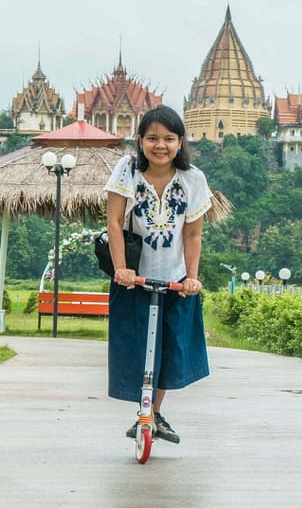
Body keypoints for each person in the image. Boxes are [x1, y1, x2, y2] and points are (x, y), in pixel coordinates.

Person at [103, 105, 212, 444]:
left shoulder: (193, 179)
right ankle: (145, 411)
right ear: (140, 141)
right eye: (152, 138)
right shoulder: (127, 171)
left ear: (180, 142)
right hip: (134, 280)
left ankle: (152, 412)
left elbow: (192, 234)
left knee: (171, 350)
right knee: (134, 347)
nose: (160, 145)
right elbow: (114, 224)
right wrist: (121, 268)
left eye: (168, 138)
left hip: (176, 281)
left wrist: (192, 277)